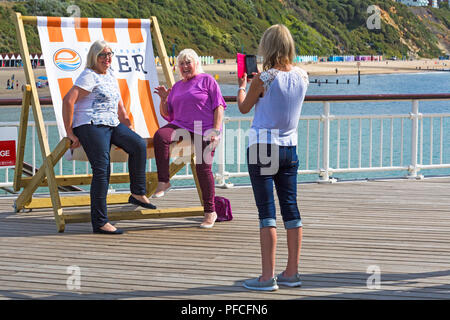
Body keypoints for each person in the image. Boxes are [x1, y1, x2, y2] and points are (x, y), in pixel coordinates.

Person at [237, 24, 309, 291]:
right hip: (290, 146)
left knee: (267, 212)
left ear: (267, 47)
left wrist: (242, 87)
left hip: (263, 147)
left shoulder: (264, 78)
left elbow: (244, 108)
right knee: (291, 208)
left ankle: (267, 278)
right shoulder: (303, 76)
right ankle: (292, 272)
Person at [62, 40, 156, 235]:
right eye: (102, 55)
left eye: (109, 54)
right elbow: (68, 100)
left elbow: (118, 102)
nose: (107, 58)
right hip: (90, 124)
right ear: (94, 58)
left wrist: (127, 122)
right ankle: (100, 222)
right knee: (103, 168)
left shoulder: (111, 74)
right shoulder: (89, 76)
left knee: (138, 144)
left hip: (112, 123)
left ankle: (137, 193)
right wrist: (69, 132)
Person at [153, 48, 226, 229]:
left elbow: (219, 106)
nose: (185, 66)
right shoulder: (177, 86)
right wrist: (163, 99)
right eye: (182, 63)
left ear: (196, 64)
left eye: (188, 62)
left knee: (203, 168)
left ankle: (210, 212)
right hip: (181, 125)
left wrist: (216, 130)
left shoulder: (207, 80)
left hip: (205, 128)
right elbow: (167, 114)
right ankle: (164, 181)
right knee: (160, 136)